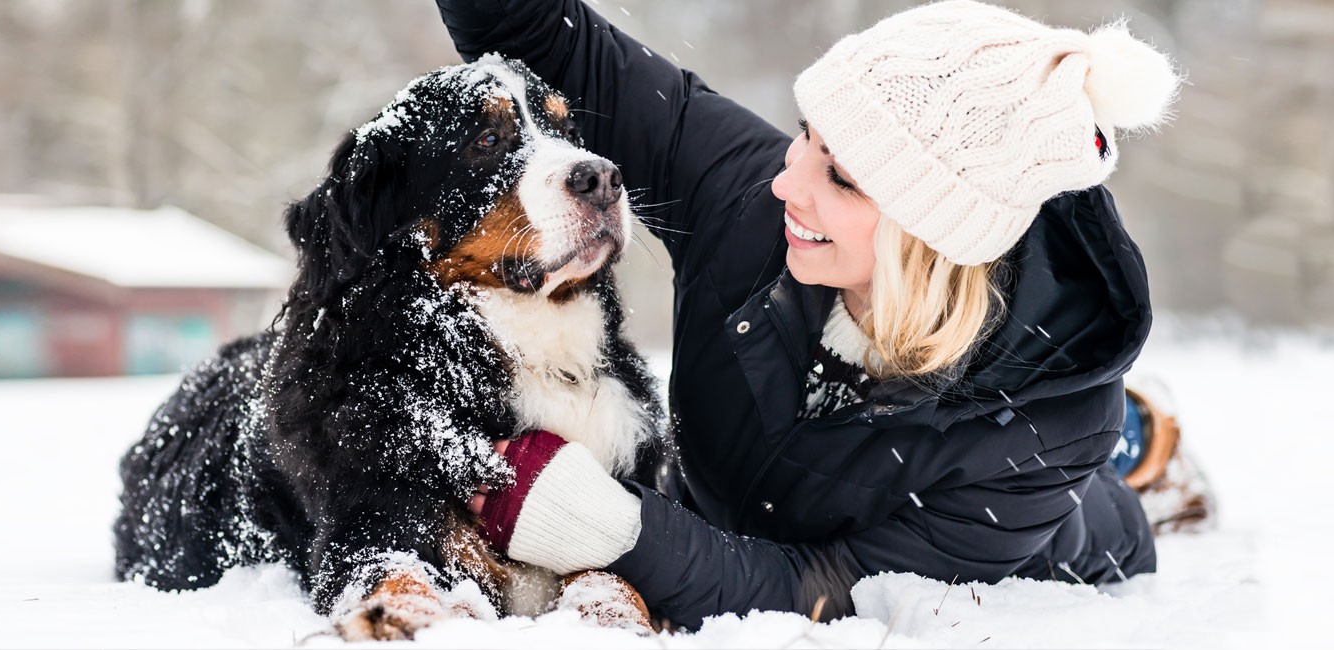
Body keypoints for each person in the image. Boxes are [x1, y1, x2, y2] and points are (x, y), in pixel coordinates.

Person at [440, 0, 1212, 629]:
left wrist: (617, 526)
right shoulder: (748, 195)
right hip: (753, 491)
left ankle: (1141, 445)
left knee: (1097, 508)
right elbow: (547, 38)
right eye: (807, 135)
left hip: (1042, 516)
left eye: (839, 176)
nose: (788, 183)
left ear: (930, 236)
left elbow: (823, 591)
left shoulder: (1045, 433)